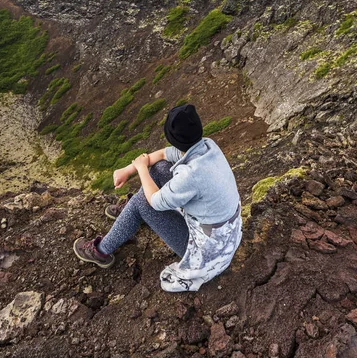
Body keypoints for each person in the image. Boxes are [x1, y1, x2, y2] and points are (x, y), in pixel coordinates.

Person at [73, 104, 242, 292]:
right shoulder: (207, 146)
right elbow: (163, 154)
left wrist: (140, 168)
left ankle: (101, 251)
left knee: (141, 202)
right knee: (160, 168)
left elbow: (154, 200)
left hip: (205, 248)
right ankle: (132, 215)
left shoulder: (191, 175)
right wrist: (129, 170)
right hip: (223, 231)